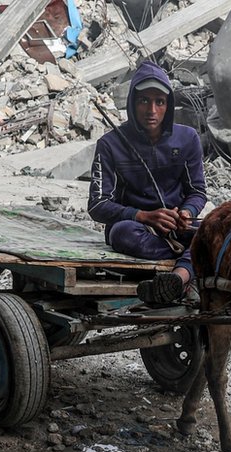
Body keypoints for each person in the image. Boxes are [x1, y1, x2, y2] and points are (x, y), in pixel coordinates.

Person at [88, 60, 207, 305]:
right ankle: (189, 265)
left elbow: (197, 191)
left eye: (159, 102)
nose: (151, 110)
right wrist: (142, 216)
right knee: (121, 233)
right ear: (132, 103)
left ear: (168, 105)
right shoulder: (110, 144)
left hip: (177, 226)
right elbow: (97, 205)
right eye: (144, 100)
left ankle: (177, 278)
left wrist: (186, 213)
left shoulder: (187, 138)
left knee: (216, 232)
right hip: (137, 228)